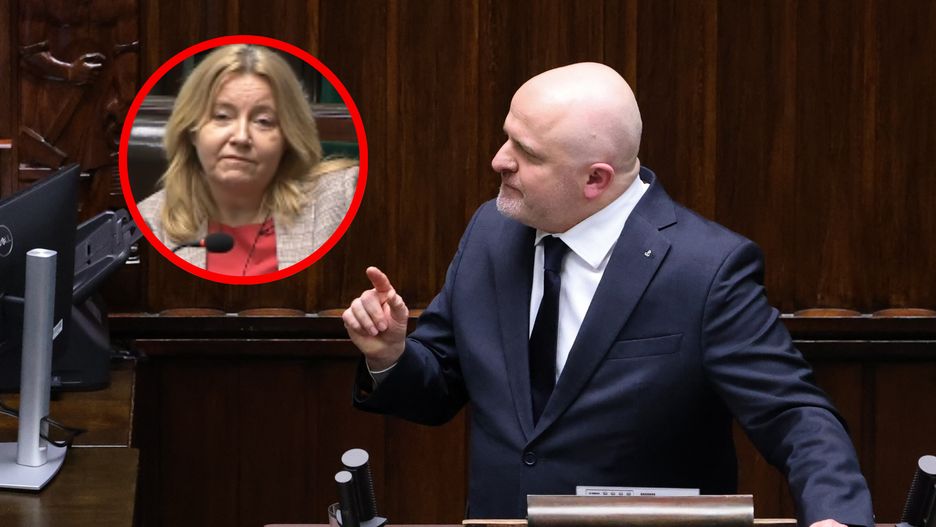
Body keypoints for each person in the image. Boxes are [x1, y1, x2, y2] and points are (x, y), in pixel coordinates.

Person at [343, 63, 874, 526]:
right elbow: (439, 386)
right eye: (507, 137)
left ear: (595, 179)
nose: (499, 160)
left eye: (525, 152)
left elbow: (792, 412)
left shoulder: (706, 270)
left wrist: (836, 515)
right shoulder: (491, 232)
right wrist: (391, 355)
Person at [137, 44, 357, 276]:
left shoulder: (341, 197)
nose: (241, 137)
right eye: (222, 116)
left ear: (287, 138)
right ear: (192, 131)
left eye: (263, 121)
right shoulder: (150, 223)